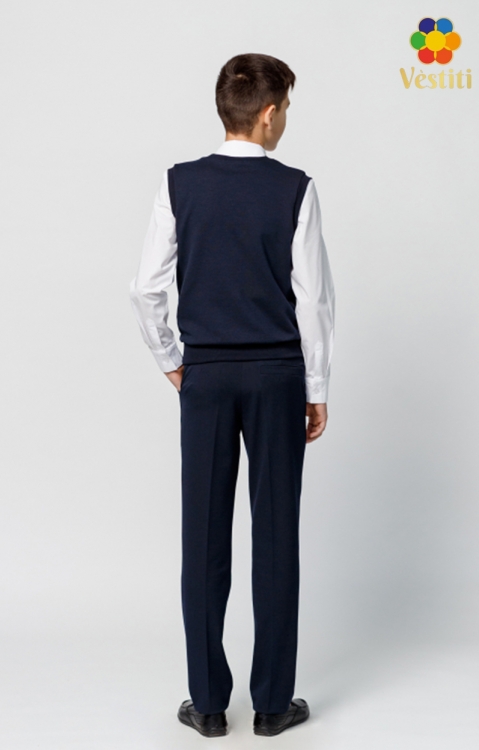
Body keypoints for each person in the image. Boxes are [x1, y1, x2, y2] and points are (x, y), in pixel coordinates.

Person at [129, 52, 335, 738]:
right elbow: (314, 300)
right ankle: (273, 705)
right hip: (277, 376)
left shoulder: (179, 183)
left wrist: (173, 361)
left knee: (204, 536)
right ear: (270, 114)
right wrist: (316, 387)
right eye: (287, 109)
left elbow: (145, 288)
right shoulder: (296, 189)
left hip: (208, 378)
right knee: (276, 535)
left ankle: (208, 705)